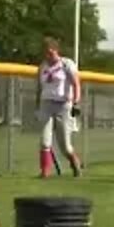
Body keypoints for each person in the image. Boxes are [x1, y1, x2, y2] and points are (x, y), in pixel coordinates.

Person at [34, 37, 83, 177]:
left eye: (51, 52)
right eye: (46, 53)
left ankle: (74, 161)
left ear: (56, 50)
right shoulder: (43, 66)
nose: (48, 56)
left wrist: (76, 102)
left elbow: (76, 84)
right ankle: (45, 171)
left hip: (63, 105)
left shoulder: (66, 64)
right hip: (46, 104)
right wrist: (37, 106)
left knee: (65, 146)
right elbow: (39, 87)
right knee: (45, 141)